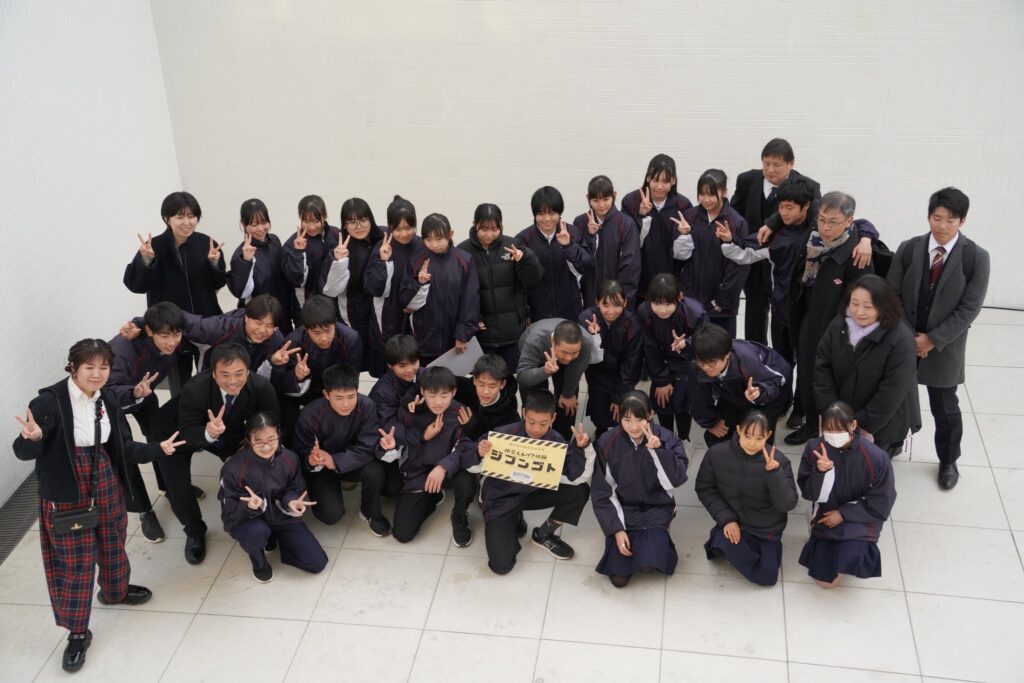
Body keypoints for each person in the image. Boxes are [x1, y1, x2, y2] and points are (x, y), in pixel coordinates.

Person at [13, 339, 185, 672]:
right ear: (73, 367)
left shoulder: (107, 399)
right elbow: (24, 453)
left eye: (103, 367)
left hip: (103, 476)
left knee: (113, 539)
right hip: (66, 487)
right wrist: (30, 438)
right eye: (89, 367)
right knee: (75, 561)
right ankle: (78, 632)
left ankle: (115, 591)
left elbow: (122, 446)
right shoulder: (49, 402)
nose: (97, 374)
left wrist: (158, 449)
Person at [886, 187, 990, 489]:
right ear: (928, 216)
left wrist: (931, 340)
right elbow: (892, 294)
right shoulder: (909, 248)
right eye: (937, 218)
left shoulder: (976, 257)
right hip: (904, 340)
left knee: (945, 407)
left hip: (944, 347)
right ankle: (892, 442)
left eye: (950, 220)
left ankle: (948, 460)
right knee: (896, 396)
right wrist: (908, 336)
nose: (942, 226)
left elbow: (969, 308)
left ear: (962, 221)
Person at [155, 342, 280, 565]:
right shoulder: (195, 389)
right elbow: (187, 430)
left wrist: (249, 446)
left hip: (226, 432)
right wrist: (208, 432)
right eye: (225, 375)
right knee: (179, 489)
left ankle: (258, 516)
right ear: (213, 373)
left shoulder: (261, 387)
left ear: (248, 371)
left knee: (249, 465)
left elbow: (273, 423)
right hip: (176, 433)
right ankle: (194, 531)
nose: (233, 381)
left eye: (239, 373)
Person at [781, 192, 877, 446]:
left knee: (823, 377)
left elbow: (860, 303)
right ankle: (809, 421)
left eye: (833, 222)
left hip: (833, 326)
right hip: (804, 315)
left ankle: (825, 427)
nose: (825, 227)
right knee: (805, 371)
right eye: (822, 219)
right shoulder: (812, 238)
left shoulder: (857, 254)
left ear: (849, 221)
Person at [472, 390, 591, 573]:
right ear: (523, 413)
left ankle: (543, 534)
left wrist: (583, 448)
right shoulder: (501, 435)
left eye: (543, 423)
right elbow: (467, 461)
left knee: (580, 490)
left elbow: (575, 477)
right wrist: (478, 453)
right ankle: (513, 519)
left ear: (553, 418)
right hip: (500, 498)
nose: (536, 429)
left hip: (531, 492)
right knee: (501, 566)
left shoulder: (556, 441)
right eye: (531, 422)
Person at [123, 191, 227, 392]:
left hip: (204, 323)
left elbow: (219, 282)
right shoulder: (154, 247)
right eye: (180, 217)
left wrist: (215, 264)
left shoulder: (206, 243)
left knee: (210, 378)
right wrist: (146, 261)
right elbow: (136, 285)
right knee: (179, 385)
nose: (187, 222)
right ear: (166, 218)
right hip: (169, 328)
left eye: (192, 216)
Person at [106, 302, 188, 543]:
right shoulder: (123, 351)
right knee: (127, 453)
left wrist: (141, 393)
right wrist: (133, 393)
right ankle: (144, 510)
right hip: (113, 402)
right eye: (165, 336)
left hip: (144, 392)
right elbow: (108, 390)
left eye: (176, 335)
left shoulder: (165, 336)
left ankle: (168, 486)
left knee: (160, 438)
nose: (172, 342)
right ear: (150, 332)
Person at [815, 275, 920, 457]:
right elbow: (822, 367)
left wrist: (859, 424)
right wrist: (834, 414)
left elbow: (892, 391)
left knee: (867, 466)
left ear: (884, 306)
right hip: (839, 416)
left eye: (868, 307)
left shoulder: (901, 339)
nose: (859, 312)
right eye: (854, 304)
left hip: (880, 424)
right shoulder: (838, 324)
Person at [591, 391, 688, 587]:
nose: (633, 426)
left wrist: (659, 451)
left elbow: (677, 479)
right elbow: (602, 491)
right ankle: (623, 538)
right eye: (627, 420)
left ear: (650, 415)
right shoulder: (607, 442)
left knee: (650, 566)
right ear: (619, 417)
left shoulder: (667, 438)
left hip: (657, 506)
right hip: (624, 510)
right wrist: (616, 530)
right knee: (618, 578)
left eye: (639, 419)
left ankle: (661, 534)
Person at [292, 364, 402, 537]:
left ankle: (370, 512)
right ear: (326, 394)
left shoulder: (366, 406)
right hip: (322, 467)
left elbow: (367, 445)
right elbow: (301, 451)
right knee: (330, 515)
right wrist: (311, 460)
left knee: (375, 470)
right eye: (338, 398)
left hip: (352, 460)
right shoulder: (309, 415)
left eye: (351, 396)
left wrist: (335, 461)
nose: (346, 404)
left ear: (357, 391)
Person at [797, 401, 897, 589]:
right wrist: (820, 472)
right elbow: (809, 493)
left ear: (853, 425)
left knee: (851, 559)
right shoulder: (814, 448)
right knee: (825, 582)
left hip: (860, 520)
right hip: (826, 516)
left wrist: (843, 514)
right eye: (828, 429)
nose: (833, 435)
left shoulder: (876, 457)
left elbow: (882, 502)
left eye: (839, 429)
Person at [730, 139, 820, 345]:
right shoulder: (746, 181)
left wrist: (773, 222)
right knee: (754, 310)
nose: (770, 170)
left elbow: (817, 220)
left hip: (785, 263)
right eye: (766, 163)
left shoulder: (808, 186)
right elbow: (735, 214)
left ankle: (782, 356)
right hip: (753, 259)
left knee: (783, 315)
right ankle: (756, 353)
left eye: (777, 165)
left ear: (791, 164)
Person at [219, 412, 327, 582]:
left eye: (271, 440)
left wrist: (291, 501)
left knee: (317, 563)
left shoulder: (290, 458)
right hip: (249, 520)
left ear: (279, 435)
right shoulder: (233, 468)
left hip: (279, 515)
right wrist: (249, 506)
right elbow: (230, 512)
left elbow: (295, 488)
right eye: (259, 441)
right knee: (256, 532)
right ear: (248, 440)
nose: (266, 447)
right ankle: (258, 560)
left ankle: (274, 537)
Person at [695, 410, 798, 586]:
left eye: (759, 438)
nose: (752, 443)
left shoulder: (779, 461)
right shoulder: (716, 453)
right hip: (736, 522)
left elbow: (787, 505)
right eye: (747, 435)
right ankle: (729, 542)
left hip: (767, 528)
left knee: (767, 576)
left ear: (768, 435)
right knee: (723, 543)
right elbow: (705, 488)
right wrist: (727, 520)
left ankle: (749, 552)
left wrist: (775, 473)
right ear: (738, 430)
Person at [393, 366, 477, 546]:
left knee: (467, 479)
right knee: (402, 534)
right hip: (418, 472)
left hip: (448, 470)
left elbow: (465, 446)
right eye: (432, 395)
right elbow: (397, 434)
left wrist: (443, 466)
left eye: (444, 395)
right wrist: (423, 436)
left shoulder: (461, 412)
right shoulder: (411, 409)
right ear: (422, 391)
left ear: (454, 392)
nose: (438, 402)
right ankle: (432, 496)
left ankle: (459, 516)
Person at [458, 202, 543, 368]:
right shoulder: (463, 251)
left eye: (494, 229)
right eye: (484, 229)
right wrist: (472, 319)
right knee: (486, 377)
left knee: (512, 375)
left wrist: (525, 259)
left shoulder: (513, 246)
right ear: (475, 224)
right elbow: (460, 293)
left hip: (513, 331)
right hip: (482, 334)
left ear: (501, 226)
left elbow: (533, 279)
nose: (489, 234)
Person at [672, 169, 750, 337]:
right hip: (691, 301)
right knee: (690, 345)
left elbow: (740, 267)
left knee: (719, 346)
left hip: (720, 307)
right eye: (701, 194)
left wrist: (722, 300)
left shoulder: (736, 222)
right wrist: (683, 235)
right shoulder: (689, 217)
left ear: (724, 192)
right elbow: (679, 259)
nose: (705, 199)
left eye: (711, 194)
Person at [689, 324, 792, 447]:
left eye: (712, 363)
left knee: (757, 439)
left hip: (767, 389)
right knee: (717, 437)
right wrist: (711, 422)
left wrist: (760, 393)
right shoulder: (697, 365)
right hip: (731, 390)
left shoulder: (748, 362)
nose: (706, 368)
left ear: (727, 355)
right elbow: (698, 397)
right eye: (701, 362)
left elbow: (775, 381)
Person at [276, 295, 364, 440]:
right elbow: (281, 384)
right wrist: (297, 376)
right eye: (316, 333)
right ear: (306, 328)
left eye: (328, 330)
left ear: (335, 323)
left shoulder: (350, 339)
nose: (324, 338)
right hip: (305, 394)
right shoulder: (293, 343)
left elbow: (352, 377)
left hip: (336, 391)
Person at [399, 213, 480, 367]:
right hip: (423, 338)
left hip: (453, 339)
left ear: (450, 234)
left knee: (452, 379)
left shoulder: (464, 260)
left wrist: (463, 335)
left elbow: (470, 300)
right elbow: (404, 300)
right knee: (426, 378)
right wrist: (419, 283)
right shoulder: (416, 260)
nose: (434, 244)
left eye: (439, 239)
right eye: (428, 239)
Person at [637, 273, 709, 442]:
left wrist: (687, 344)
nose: (662, 310)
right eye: (656, 303)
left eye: (668, 304)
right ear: (649, 300)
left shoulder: (695, 313)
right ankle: (666, 438)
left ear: (679, 297)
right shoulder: (644, 312)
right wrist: (662, 380)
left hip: (687, 363)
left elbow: (705, 342)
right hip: (660, 361)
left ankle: (684, 439)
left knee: (683, 401)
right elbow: (649, 347)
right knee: (662, 398)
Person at [321, 198, 386, 374]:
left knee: (382, 367)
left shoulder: (382, 239)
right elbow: (329, 289)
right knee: (351, 368)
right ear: (344, 224)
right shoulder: (341, 249)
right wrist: (339, 262)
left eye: (363, 220)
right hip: (353, 319)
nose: (358, 226)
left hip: (380, 319)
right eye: (351, 222)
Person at [620, 153, 694, 299]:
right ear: (648, 178)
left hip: (670, 282)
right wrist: (641, 216)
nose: (659, 187)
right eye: (655, 180)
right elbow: (627, 243)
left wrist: (685, 234)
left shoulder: (683, 205)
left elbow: (685, 254)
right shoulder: (631, 202)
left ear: (674, 180)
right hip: (638, 280)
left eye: (665, 181)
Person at [515, 186, 593, 322]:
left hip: (569, 310)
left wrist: (568, 246)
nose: (547, 219)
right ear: (534, 214)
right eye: (541, 214)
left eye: (552, 213)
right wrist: (525, 313)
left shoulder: (573, 233)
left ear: (560, 212)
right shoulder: (524, 239)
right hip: (537, 313)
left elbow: (585, 266)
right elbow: (519, 282)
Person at [516, 318, 603, 439]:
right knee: (534, 402)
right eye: (564, 352)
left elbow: (576, 370)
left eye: (575, 352)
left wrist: (568, 394)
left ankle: (563, 441)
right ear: (553, 341)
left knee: (568, 405)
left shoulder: (586, 341)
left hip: (568, 364)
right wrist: (545, 371)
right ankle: (532, 439)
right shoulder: (535, 340)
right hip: (537, 360)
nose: (568, 358)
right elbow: (522, 376)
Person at [579, 280, 642, 440]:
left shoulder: (631, 322)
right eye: (605, 305)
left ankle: (620, 435)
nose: (611, 312)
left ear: (625, 302)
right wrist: (594, 335)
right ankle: (600, 430)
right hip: (596, 374)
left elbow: (632, 360)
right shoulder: (587, 318)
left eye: (617, 305)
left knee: (620, 409)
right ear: (597, 302)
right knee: (598, 407)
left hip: (622, 374)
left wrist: (619, 394)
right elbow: (585, 356)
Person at [228, 198, 297, 332]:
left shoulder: (274, 241)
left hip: (282, 313)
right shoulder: (240, 255)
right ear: (243, 224)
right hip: (261, 319)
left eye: (264, 222)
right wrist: (246, 261)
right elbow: (240, 292)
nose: (260, 229)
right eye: (254, 224)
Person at [572, 175, 641, 309]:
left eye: (606, 199)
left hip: (618, 299)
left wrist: (622, 300)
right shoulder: (580, 222)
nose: (601, 205)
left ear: (614, 195)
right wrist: (591, 236)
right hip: (590, 295)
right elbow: (580, 261)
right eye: (595, 200)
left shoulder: (626, 224)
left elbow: (631, 267)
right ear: (588, 198)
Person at [364, 195, 420, 354]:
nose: (404, 234)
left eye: (408, 228)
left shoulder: (422, 245)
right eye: (398, 229)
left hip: (415, 318)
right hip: (387, 318)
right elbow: (374, 288)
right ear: (390, 227)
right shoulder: (381, 248)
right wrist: (384, 261)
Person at [281, 194, 341, 326]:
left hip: (334, 307)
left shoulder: (336, 235)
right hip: (305, 308)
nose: (312, 226)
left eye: (316, 221)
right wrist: (298, 252)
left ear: (324, 216)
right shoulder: (292, 244)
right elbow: (296, 280)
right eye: (306, 221)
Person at [368, 334, 422, 456]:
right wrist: (423, 436)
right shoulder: (381, 391)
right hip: (396, 443)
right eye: (402, 366)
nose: (410, 370)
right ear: (390, 366)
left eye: (414, 362)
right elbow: (389, 426)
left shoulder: (426, 376)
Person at [454, 354, 521, 442]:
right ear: (474, 380)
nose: (486, 391)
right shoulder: (462, 388)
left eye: (492, 386)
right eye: (481, 384)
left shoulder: (510, 416)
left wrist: (470, 426)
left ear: (502, 384)